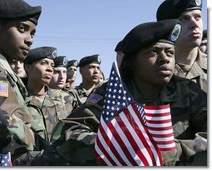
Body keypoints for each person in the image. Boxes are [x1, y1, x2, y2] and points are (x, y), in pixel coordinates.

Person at [51, 19, 207, 166]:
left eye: (170, 53)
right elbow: (68, 133)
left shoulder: (187, 91)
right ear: (132, 62)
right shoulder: (112, 93)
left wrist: (173, 151)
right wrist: (119, 147)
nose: (165, 59)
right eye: (153, 52)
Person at [0, 0, 64, 166]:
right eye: (22, 29)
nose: (29, 39)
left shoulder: (0, 66)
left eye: (33, 33)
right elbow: (0, 131)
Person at [156, 0, 207, 93]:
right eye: (185, 19)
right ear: (168, 28)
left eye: (198, 17)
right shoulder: (152, 72)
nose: (195, 24)